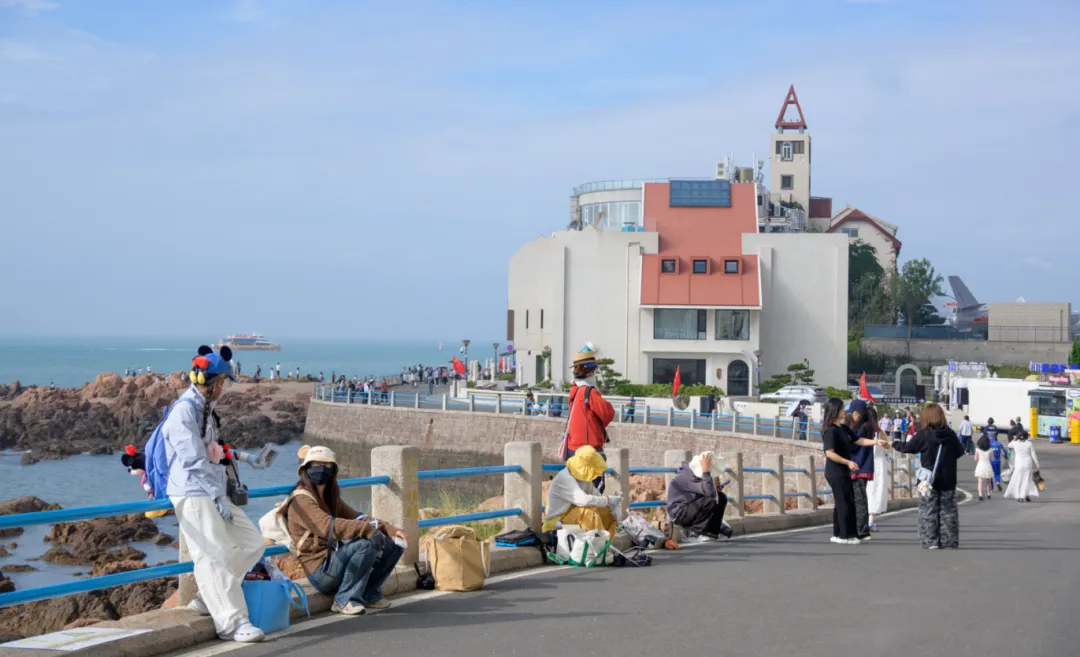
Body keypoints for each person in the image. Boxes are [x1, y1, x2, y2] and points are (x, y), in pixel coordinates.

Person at [164, 346, 265, 642]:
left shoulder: (205, 410)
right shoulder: (184, 410)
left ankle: (209, 596)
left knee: (253, 542)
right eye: (225, 382)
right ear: (215, 381)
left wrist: (246, 458)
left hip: (212, 489)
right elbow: (193, 460)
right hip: (194, 491)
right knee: (213, 555)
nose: (226, 388)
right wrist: (217, 496)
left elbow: (214, 451)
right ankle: (233, 623)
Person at [283, 445, 405, 615]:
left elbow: (358, 517)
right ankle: (344, 600)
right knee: (365, 544)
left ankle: (369, 594)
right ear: (306, 469)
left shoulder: (329, 498)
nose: (322, 469)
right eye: (316, 465)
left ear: (333, 471)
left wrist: (389, 529)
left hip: (334, 560)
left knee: (394, 544)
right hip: (319, 571)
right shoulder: (301, 500)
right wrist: (367, 530)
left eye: (327, 466)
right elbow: (327, 526)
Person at [893, 403, 965, 549]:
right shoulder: (950, 434)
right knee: (948, 512)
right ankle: (949, 540)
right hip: (948, 479)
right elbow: (959, 452)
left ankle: (930, 540)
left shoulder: (924, 434)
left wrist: (894, 443)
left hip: (928, 481)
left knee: (928, 511)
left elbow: (908, 448)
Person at [821, 398, 884, 545]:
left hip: (844, 471)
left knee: (846, 502)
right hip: (835, 471)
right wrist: (847, 462)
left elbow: (859, 440)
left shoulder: (843, 428)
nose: (845, 411)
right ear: (835, 411)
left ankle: (839, 534)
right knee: (843, 503)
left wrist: (876, 442)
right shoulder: (830, 430)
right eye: (843, 408)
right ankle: (845, 535)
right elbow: (829, 453)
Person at [542, 446, 623, 537]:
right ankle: (596, 543)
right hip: (556, 523)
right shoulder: (565, 478)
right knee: (589, 512)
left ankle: (606, 543)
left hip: (572, 518)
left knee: (606, 512)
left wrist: (612, 505)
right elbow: (583, 500)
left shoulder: (583, 478)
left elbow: (597, 497)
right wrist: (608, 500)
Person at [565, 347, 615, 489]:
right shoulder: (590, 392)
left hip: (572, 448)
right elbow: (607, 413)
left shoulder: (575, 390)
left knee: (577, 491)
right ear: (591, 371)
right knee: (594, 493)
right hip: (588, 451)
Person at [666, 451, 733, 542]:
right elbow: (709, 494)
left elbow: (708, 492)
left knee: (721, 497)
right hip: (679, 513)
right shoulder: (687, 476)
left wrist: (716, 490)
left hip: (691, 508)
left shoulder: (695, 476)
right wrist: (706, 471)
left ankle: (712, 533)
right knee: (711, 500)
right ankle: (695, 533)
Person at [846, 400, 889, 540]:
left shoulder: (862, 428)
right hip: (871, 465)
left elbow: (854, 444)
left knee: (859, 499)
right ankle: (865, 525)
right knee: (865, 497)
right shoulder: (876, 430)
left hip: (858, 465)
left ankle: (861, 529)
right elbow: (887, 447)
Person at [864, 405, 891, 532]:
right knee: (876, 491)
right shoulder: (880, 432)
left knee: (865, 491)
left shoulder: (861, 431)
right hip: (878, 465)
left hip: (864, 463)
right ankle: (870, 521)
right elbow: (887, 446)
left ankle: (862, 521)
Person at [1003, 431, 1041, 503]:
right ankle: (1024, 495)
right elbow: (1033, 454)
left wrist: (1014, 439)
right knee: (1026, 480)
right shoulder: (1029, 443)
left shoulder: (1015, 443)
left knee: (1018, 480)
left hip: (1019, 464)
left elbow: (1009, 445)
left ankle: (1019, 496)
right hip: (1028, 463)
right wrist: (1037, 463)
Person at [974, 435, 995, 501]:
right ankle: (988, 494)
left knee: (980, 481)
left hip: (980, 465)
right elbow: (992, 459)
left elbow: (975, 459)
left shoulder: (977, 449)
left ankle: (980, 495)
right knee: (988, 481)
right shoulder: (990, 450)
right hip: (987, 465)